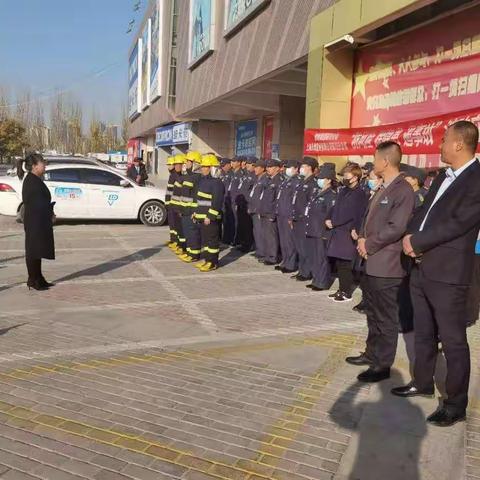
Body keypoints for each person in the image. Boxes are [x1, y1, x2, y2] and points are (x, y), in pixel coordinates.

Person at [392, 121, 480, 427]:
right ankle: (423, 382)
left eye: (443, 141)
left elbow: (458, 223)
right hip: (421, 266)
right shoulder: (443, 175)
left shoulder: (477, 179)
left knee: (453, 341)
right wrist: (409, 237)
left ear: (458, 144)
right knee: (424, 331)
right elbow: (424, 212)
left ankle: (455, 404)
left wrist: (417, 242)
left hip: (449, 272)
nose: (439, 146)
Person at [347, 142, 415, 383]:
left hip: (387, 265)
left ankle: (382, 365)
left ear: (385, 161)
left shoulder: (402, 191)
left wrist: (369, 244)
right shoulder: (382, 188)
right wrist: (363, 238)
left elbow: (396, 227)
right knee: (373, 313)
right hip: (372, 262)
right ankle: (371, 353)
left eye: (375, 158)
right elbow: (370, 220)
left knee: (386, 317)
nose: (373, 162)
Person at [326, 164, 369, 302]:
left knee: (346, 263)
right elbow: (335, 207)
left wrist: (352, 228)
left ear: (355, 177)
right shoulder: (343, 190)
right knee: (339, 262)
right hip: (338, 230)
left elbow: (355, 213)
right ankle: (341, 289)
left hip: (348, 231)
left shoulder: (360, 193)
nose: (344, 177)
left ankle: (346, 291)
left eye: (347, 175)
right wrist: (328, 218)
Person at [19, 153, 55, 291]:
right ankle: (32, 279)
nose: (44, 165)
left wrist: (50, 211)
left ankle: (39, 277)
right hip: (35, 220)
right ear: (34, 166)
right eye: (42, 163)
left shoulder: (35, 179)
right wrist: (49, 212)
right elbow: (37, 203)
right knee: (33, 250)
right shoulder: (31, 181)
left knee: (38, 249)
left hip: (38, 219)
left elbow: (41, 202)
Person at [305, 164, 337, 291]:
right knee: (314, 256)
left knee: (321, 258)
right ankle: (316, 279)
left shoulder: (331, 195)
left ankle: (322, 282)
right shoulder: (317, 192)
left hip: (321, 231)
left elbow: (331, 214)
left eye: (322, 178)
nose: (319, 180)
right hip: (312, 228)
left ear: (329, 180)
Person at [192, 154, 225, 272]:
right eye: (203, 166)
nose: (203, 169)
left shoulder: (217, 183)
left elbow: (216, 202)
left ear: (212, 168)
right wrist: (195, 212)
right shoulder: (202, 181)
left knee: (212, 241)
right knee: (205, 241)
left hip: (210, 218)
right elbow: (200, 200)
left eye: (206, 167)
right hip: (201, 217)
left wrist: (210, 216)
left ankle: (213, 262)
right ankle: (206, 260)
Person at [291, 157, 318, 282]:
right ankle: (302, 270)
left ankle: (307, 272)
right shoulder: (302, 181)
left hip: (303, 220)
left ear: (310, 168)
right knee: (299, 247)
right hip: (296, 218)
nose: (301, 168)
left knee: (304, 247)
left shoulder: (313, 183)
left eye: (304, 166)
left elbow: (310, 203)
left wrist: (304, 217)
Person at [275, 160, 301, 274]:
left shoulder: (297, 181)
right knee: (283, 240)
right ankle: (285, 261)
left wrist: (291, 215)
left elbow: (295, 201)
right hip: (281, 213)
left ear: (296, 169)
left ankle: (290, 264)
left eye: (290, 167)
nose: (287, 169)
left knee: (289, 241)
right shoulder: (286, 180)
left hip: (288, 215)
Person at [178, 151, 202, 263]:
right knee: (187, 233)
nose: (186, 163)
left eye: (188, 161)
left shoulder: (196, 177)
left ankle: (194, 254)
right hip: (185, 211)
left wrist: (195, 211)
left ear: (194, 163)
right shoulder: (189, 176)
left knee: (192, 233)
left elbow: (196, 197)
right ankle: (189, 252)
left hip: (191, 211)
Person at [258, 159, 283, 265]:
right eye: (267, 167)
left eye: (271, 167)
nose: (268, 169)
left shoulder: (279, 180)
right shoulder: (268, 179)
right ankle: (267, 255)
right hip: (264, 211)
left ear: (277, 168)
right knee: (265, 235)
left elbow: (277, 199)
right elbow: (263, 196)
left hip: (270, 213)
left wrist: (273, 214)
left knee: (272, 236)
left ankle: (273, 257)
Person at [235, 157, 256, 253]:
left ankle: (248, 245)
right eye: (247, 163)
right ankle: (244, 243)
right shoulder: (246, 175)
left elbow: (252, 193)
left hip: (247, 204)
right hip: (241, 204)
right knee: (242, 225)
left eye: (250, 163)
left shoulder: (254, 176)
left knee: (248, 226)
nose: (247, 165)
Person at [249, 159, 268, 261]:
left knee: (261, 232)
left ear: (263, 168)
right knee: (256, 231)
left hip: (259, 210)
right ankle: (259, 250)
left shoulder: (265, 180)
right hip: (254, 209)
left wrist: (259, 209)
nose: (255, 169)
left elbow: (263, 197)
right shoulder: (258, 179)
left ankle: (263, 252)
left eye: (257, 167)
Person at [169, 154, 187, 254]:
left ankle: (182, 246)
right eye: (175, 165)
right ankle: (179, 244)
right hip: (174, 206)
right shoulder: (174, 176)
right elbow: (170, 191)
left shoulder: (183, 177)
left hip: (181, 207)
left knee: (181, 228)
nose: (177, 166)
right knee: (176, 227)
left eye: (179, 165)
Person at [219, 158, 235, 245]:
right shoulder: (222, 174)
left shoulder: (232, 174)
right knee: (224, 220)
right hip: (223, 200)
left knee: (230, 220)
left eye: (224, 165)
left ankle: (230, 238)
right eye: (222, 166)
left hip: (229, 200)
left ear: (229, 165)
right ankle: (225, 237)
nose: (223, 167)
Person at [165, 156, 177, 247]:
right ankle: (172, 240)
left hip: (173, 203)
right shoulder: (172, 175)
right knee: (172, 223)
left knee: (174, 224)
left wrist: (169, 202)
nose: (168, 166)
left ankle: (175, 241)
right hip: (170, 203)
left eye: (170, 164)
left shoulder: (175, 175)